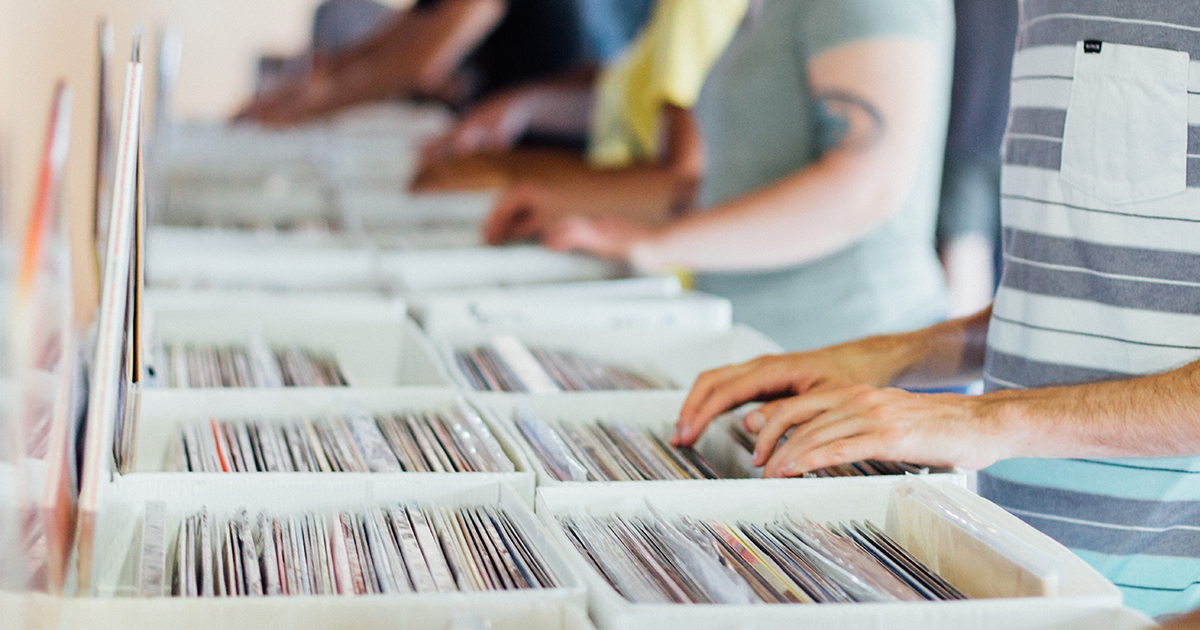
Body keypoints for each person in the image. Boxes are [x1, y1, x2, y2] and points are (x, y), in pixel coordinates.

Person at [672, 2, 1200, 618]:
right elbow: (1078, 303)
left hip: (1152, 603)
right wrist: (886, 356)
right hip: (1013, 568)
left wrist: (985, 420)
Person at [483, 0, 956, 354]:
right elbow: (734, 183)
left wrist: (658, 244)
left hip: (854, 359)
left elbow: (869, 189)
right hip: (775, 351)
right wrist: (577, 208)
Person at [410, 0, 749, 227]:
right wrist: (522, 106)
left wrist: (510, 175)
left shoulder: (695, 8)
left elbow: (682, 184)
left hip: (647, 264)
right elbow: (627, 100)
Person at [237, 0, 652, 124]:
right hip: (500, 133)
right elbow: (392, 40)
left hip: (557, 139)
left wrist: (296, 113)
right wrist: (299, 94)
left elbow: (419, 62)